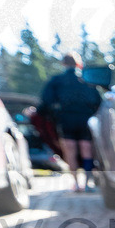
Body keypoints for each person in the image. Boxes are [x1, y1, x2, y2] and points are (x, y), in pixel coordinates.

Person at [40, 53, 102, 191]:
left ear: (63, 64)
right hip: (85, 119)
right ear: (78, 64)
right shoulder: (87, 80)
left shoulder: (56, 81)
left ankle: (76, 184)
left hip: (65, 120)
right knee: (87, 150)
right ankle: (87, 183)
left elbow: (46, 101)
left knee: (70, 152)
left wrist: (49, 115)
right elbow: (97, 101)